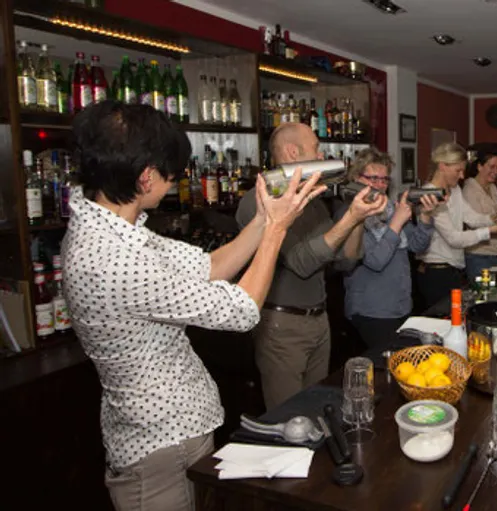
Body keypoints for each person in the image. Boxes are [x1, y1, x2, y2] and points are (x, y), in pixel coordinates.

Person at [61, 101, 326, 510]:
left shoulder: (112, 229)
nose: (175, 182)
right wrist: (277, 230)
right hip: (158, 444)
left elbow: (211, 266)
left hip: (177, 430)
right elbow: (242, 309)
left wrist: (263, 218)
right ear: (146, 177)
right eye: (172, 174)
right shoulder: (112, 259)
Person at [235, 123, 387, 410]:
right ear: (293, 152)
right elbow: (301, 262)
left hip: (319, 319)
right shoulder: (262, 200)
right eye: (316, 148)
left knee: (315, 407)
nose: (321, 155)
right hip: (282, 326)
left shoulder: (313, 201)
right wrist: (349, 218)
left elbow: (347, 259)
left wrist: (357, 218)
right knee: (287, 415)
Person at [335, 148, 441, 349]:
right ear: (356, 178)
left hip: (400, 304)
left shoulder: (390, 208)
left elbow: (417, 246)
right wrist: (397, 223)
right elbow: (375, 261)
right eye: (373, 178)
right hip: (371, 310)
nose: (380, 185)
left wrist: (426, 216)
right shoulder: (348, 214)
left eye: (384, 180)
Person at [415, 142, 497, 309]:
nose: (462, 176)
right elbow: (454, 238)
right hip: (436, 273)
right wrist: (490, 230)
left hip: (454, 270)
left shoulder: (454, 190)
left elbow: (472, 218)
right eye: (458, 170)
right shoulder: (429, 195)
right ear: (443, 166)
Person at [462, 148, 497, 281]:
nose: (496, 171)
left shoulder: (492, 187)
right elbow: (475, 223)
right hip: (479, 256)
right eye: (492, 166)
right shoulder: (470, 189)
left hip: (496, 254)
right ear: (479, 166)